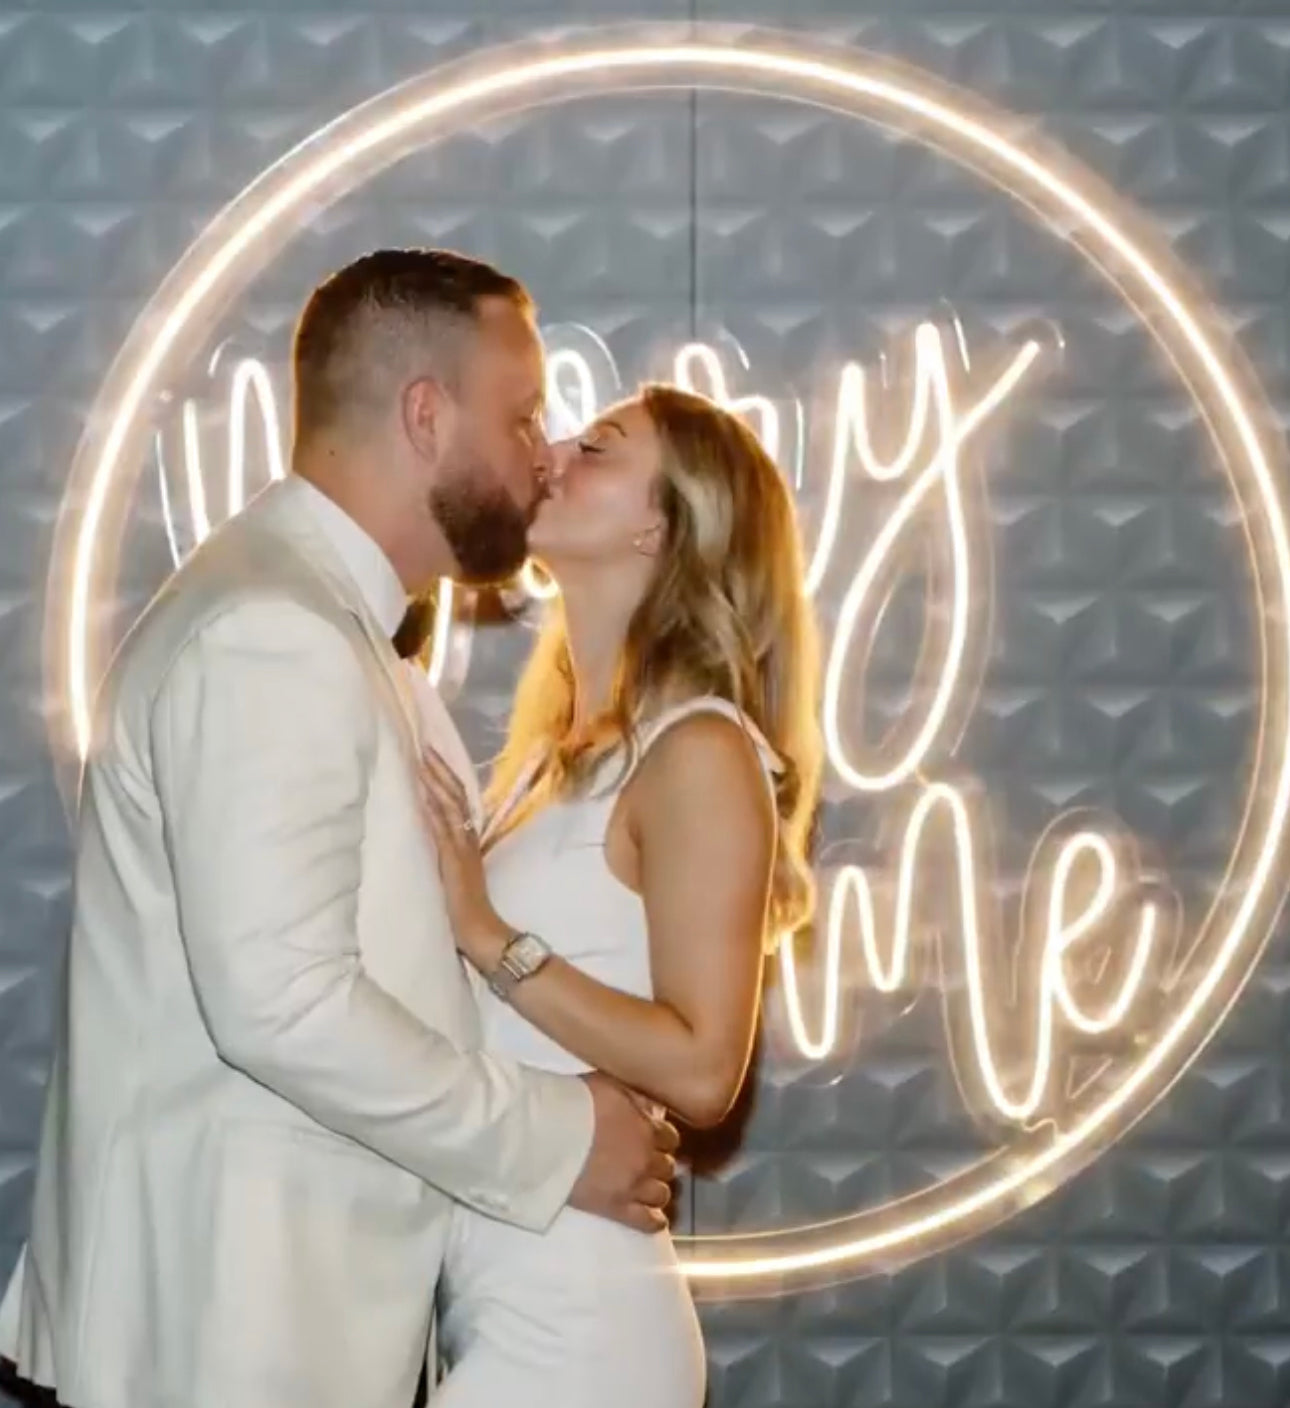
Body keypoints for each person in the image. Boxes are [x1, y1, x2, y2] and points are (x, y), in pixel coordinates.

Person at [0, 248, 677, 1408]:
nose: (539, 453)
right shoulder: (274, 629)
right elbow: (283, 1001)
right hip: (228, 1331)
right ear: (425, 416)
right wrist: (561, 1137)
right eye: (519, 417)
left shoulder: (326, 626)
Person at [414, 384, 823, 1405]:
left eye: (598, 446)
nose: (552, 451)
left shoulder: (702, 749)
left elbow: (702, 1064)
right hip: (497, 1314)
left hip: (582, 1336)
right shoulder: (550, 757)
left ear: (661, 522)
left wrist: (485, 933)